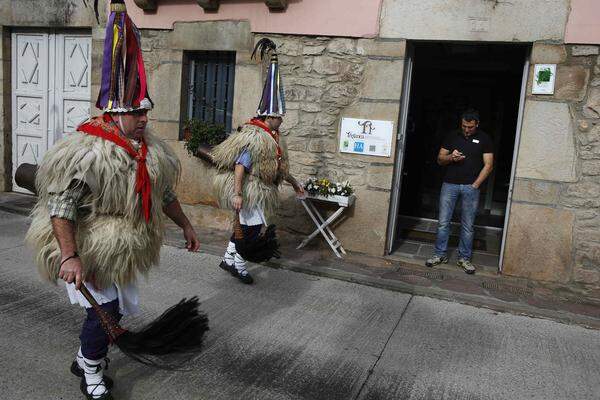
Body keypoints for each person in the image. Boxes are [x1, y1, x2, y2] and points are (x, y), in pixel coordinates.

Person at [25, 1, 199, 399]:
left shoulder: (148, 148)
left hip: (126, 247)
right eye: (136, 113)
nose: (144, 120)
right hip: (91, 246)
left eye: (145, 113)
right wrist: (70, 256)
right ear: (116, 112)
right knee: (106, 313)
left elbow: (164, 193)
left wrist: (186, 224)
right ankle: (89, 370)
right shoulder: (88, 152)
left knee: (109, 309)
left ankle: (86, 356)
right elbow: (62, 207)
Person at [212, 39, 304, 284]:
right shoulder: (255, 136)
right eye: (279, 116)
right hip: (251, 190)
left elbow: (279, 167)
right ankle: (239, 266)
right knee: (250, 231)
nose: (282, 120)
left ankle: (229, 258)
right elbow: (241, 165)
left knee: (245, 228)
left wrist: (294, 183)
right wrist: (238, 193)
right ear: (270, 116)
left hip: (261, 189)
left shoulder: (274, 137)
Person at [425, 109, 494, 274]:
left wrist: (476, 184)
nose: (466, 130)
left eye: (470, 127)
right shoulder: (452, 136)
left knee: (468, 225)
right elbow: (440, 159)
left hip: (471, 186)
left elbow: (489, 164)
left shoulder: (484, 138)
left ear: (477, 124)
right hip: (449, 184)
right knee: (443, 222)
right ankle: (440, 254)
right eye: (464, 126)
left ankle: (464, 258)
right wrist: (451, 158)